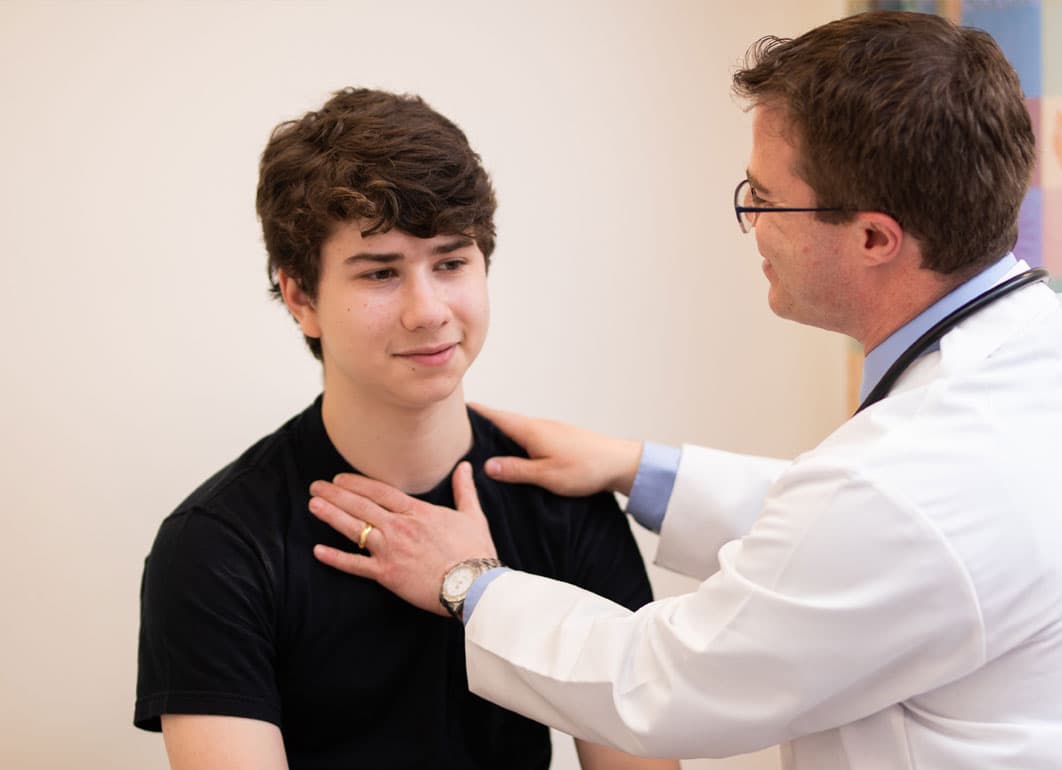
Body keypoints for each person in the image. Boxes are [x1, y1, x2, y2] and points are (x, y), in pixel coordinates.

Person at [308, 13, 1062, 770]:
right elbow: (910, 546)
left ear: (874, 237)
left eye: (764, 198)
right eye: (381, 271)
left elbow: (665, 680)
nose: (754, 225)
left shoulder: (904, 491)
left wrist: (471, 582)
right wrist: (642, 470)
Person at [134, 87, 679, 770]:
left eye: (451, 262)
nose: (428, 311)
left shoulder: (561, 500)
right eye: (382, 273)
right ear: (301, 297)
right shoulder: (217, 546)